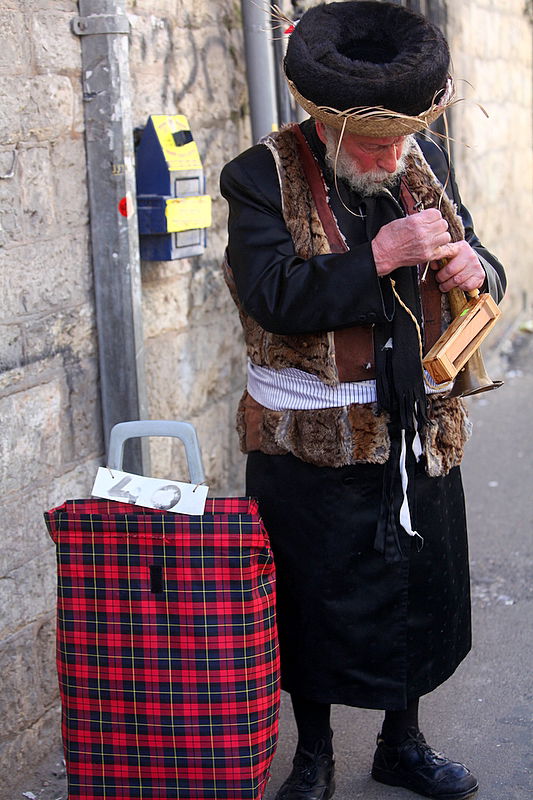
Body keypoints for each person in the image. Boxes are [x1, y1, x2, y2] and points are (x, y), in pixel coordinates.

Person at [220, 3, 506, 799]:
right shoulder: (257, 175)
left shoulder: (423, 162)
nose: (393, 154)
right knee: (311, 599)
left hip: (417, 424)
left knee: (416, 588)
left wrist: (476, 271)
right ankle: (313, 755)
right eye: (376, 143)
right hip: (311, 434)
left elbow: (479, 256)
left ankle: (401, 744)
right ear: (328, 126)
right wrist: (379, 254)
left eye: (401, 138)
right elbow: (273, 295)